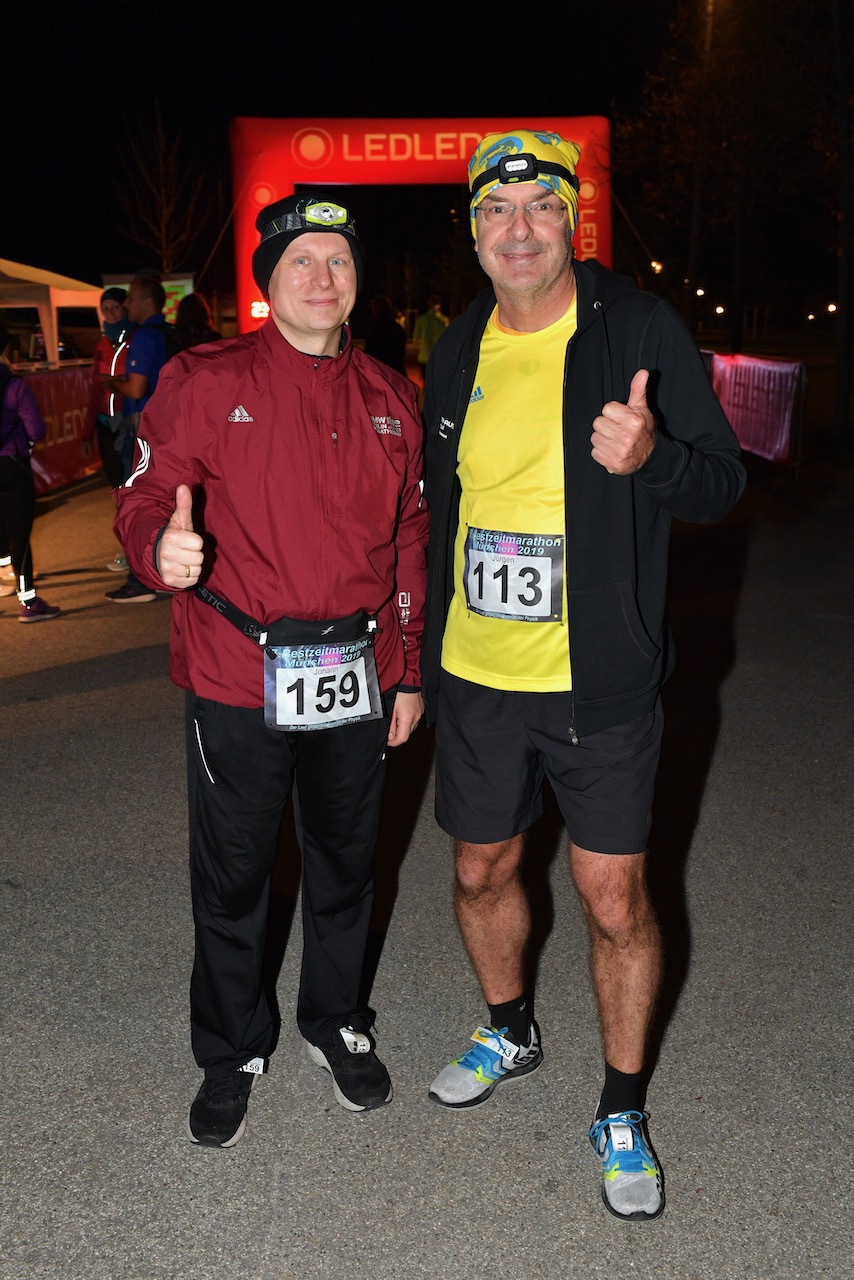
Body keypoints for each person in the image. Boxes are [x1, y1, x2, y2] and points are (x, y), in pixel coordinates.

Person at [420, 130, 746, 1222]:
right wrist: (419, 658)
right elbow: (440, 515)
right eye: (496, 210)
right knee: (477, 871)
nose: (518, 228)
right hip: (476, 673)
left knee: (612, 901)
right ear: (473, 231)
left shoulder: (636, 328)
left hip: (595, 680)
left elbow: (720, 482)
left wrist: (649, 458)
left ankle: (618, 1105)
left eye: (539, 207)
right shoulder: (457, 346)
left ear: (571, 220)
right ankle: (507, 1023)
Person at [113, 191, 428, 1148]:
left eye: (338, 261)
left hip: (358, 674)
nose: (323, 278)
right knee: (237, 873)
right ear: (269, 281)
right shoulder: (207, 380)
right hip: (236, 671)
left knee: (344, 868)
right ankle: (230, 1048)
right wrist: (152, 551)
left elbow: (411, 536)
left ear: (357, 280)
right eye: (302, 261)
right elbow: (146, 491)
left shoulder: (392, 397)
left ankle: (334, 1020)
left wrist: (408, 669)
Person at [101, 275, 169, 601]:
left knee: (136, 503)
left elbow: (136, 388)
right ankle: (159, 571)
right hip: (165, 429)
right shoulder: (168, 333)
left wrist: (110, 383)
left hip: (142, 429)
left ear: (145, 302)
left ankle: (140, 580)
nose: (126, 304)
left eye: (130, 298)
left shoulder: (144, 337)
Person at [0, 322, 61, 622]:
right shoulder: (14, 385)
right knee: (19, 535)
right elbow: (37, 428)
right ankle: (28, 602)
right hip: (11, 466)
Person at [364, 294, 406, 375]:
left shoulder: (375, 331)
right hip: (398, 373)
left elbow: (370, 355)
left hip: (381, 375)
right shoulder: (397, 328)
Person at [413, 293, 448, 382]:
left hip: (424, 356)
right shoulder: (443, 320)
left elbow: (416, 338)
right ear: (438, 306)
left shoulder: (421, 319)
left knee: (425, 383)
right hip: (439, 357)